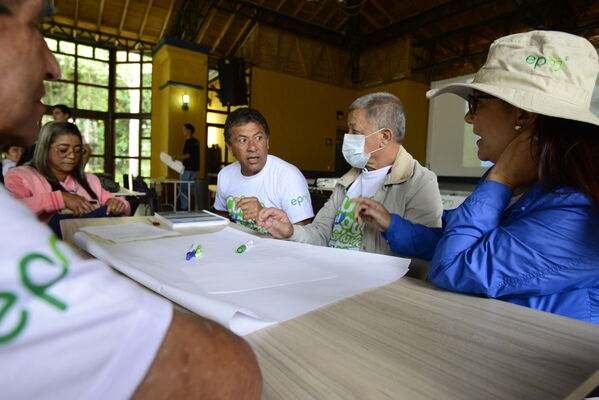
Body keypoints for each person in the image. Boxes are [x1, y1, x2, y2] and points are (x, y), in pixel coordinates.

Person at [0, 1, 262, 398]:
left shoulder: (86, 181)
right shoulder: (19, 189)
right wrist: (56, 202)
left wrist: (115, 204)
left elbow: (108, 198)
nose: (52, 66)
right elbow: (225, 373)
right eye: (37, 23)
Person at [353, 31, 599, 324]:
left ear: (522, 116)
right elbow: (459, 242)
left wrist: (501, 178)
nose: (468, 118)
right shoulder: (511, 183)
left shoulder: (574, 210)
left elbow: (454, 265)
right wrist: (393, 224)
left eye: (476, 103)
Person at [257, 93, 443, 276]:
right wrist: (290, 231)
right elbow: (321, 233)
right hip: (329, 276)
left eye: (355, 131)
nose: (347, 137)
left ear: (385, 136)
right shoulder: (348, 181)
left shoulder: (419, 182)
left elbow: (422, 257)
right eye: (348, 130)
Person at [5, 120, 129, 229]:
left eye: (77, 151)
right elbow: (10, 211)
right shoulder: (20, 175)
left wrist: (117, 203)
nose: (72, 156)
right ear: (45, 148)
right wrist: (59, 199)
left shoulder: (89, 180)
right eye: (63, 150)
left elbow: (118, 203)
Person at [214, 108, 314, 233]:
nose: (252, 147)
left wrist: (262, 214)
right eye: (243, 140)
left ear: (267, 142)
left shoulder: (289, 176)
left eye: (258, 138)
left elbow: (303, 234)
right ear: (230, 147)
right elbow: (222, 215)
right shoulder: (225, 175)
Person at [173, 123, 199, 210]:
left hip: (187, 168)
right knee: (191, 186)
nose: (183, 132)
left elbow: (187, 155)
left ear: (188, 131)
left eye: (184, 130)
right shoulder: (196, 141)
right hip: (195, 168)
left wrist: (176, 158)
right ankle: (199, 202)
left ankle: (185, 207)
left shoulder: (188, 141)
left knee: (183, 187)